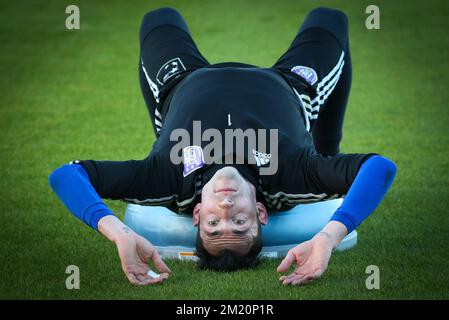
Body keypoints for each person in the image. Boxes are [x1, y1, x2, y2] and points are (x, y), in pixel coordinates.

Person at [49, 7, 397, 286]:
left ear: (197, 214)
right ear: (261, 213)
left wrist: (120, 234)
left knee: (159, 17)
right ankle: (329, 151)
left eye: (214, 223)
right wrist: (327, 238)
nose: (226, 207)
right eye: (240, 222)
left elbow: (67, 174)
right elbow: (380, 167)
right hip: (287, 83)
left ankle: (163, 122)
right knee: (329, 17)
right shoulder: (291, 177)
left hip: (182, 82)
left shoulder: (166, 181)